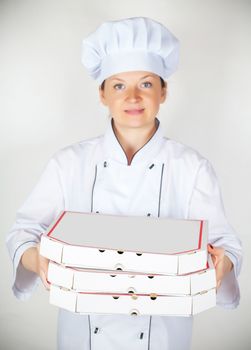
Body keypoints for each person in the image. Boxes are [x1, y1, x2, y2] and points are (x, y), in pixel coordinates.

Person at [6, 17, 242, 350]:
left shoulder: (192, 167)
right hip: (82, 338)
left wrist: (221, 264)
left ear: (164, 91)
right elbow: (23, 232)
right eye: (118, 85)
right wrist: (37, 260)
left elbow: (226, 243)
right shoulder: (68, 163)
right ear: (102, 94)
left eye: (145, 84)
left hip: (163, 338)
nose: (132, 96)